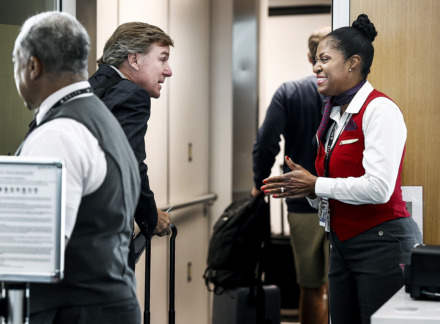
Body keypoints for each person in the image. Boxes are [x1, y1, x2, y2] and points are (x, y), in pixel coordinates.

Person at [261, 14, 422, 324]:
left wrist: (315, 185)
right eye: (316, 60)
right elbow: (331, 185)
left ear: (352, 63)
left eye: (325, 59)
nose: (316, 67)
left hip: (382, 244)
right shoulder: (335, 116)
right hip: (342, 243)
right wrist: (305, 188)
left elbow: (378, 187)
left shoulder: (379, 110)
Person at [13, 12, 141, 323]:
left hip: (72, 312)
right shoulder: (100, 119)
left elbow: (34, 248)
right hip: (109, 304)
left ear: (32, 66)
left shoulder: (58, 133)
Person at [252, 26, 330, 324]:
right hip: (344, 201)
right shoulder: (347, 94)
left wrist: (259, 183)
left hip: (301, 205)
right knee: (341, 285)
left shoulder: (289, 92)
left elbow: (266, 143)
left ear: (310, 57)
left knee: (310, 287)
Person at [89, 23, 173, 266]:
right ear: (134, 59)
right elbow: (130, 164)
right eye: (162, 59)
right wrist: (149, 218)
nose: (168, 71)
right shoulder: (131, 95)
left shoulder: (88, 88)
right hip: (105, 239)